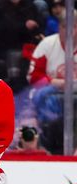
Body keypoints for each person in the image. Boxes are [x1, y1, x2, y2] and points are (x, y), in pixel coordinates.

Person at [27, 11, 77, 154]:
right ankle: (48, 146)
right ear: (58, 28)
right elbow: (33, 76)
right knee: (42, 96)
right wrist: (55, 82)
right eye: (64, 27)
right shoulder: (47, 44)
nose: (68, 31)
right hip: (51, 90)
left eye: (73, 27)